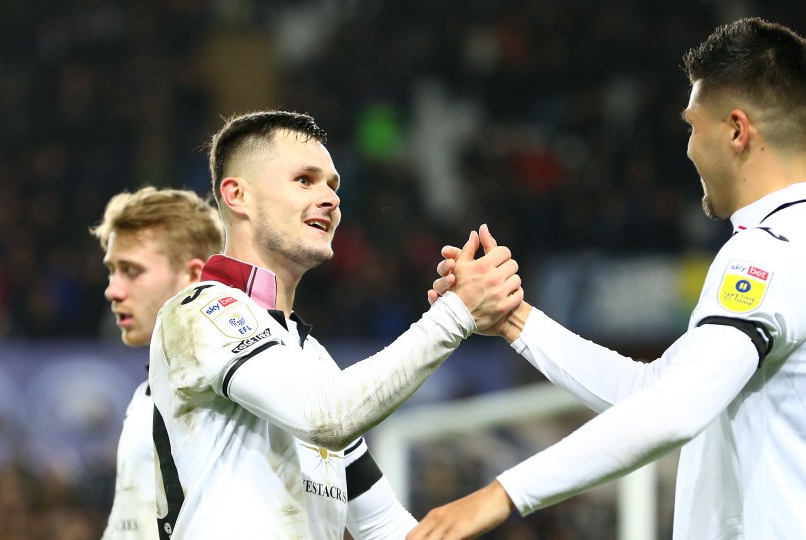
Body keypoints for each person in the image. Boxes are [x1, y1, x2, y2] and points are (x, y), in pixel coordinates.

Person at [411, 17, 806, 539]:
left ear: (738, 130)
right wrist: (514, 320)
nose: (690, 147)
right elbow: (655, 390)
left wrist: (502, 494)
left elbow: (673, 411)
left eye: (694, 126)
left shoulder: (771, 254)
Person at [148, 110, 523, 539]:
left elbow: (384, 526)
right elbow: (325, 416)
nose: (330, 198)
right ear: (237, 196)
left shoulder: (312, 359)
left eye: (333, 185)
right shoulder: (199, 312)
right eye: (305, 180)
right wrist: (456, 314)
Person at [91, 187, 224, 539]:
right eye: (112, 271)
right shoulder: (143, 400)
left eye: (131, 271)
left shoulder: (233, 396)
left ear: (193, 276)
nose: (112, 290)